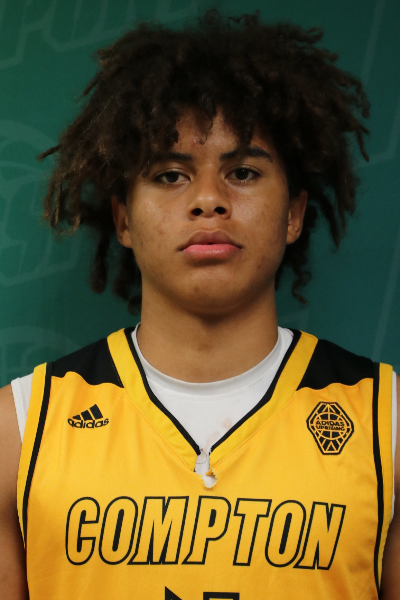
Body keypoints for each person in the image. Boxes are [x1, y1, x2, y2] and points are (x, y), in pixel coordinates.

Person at [0, 10, 398, 600]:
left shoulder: (385, 423)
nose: (208, 199)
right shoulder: (20, 429)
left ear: (293, 214)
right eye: (169, 176)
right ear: (123, 219)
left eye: (243, 172)